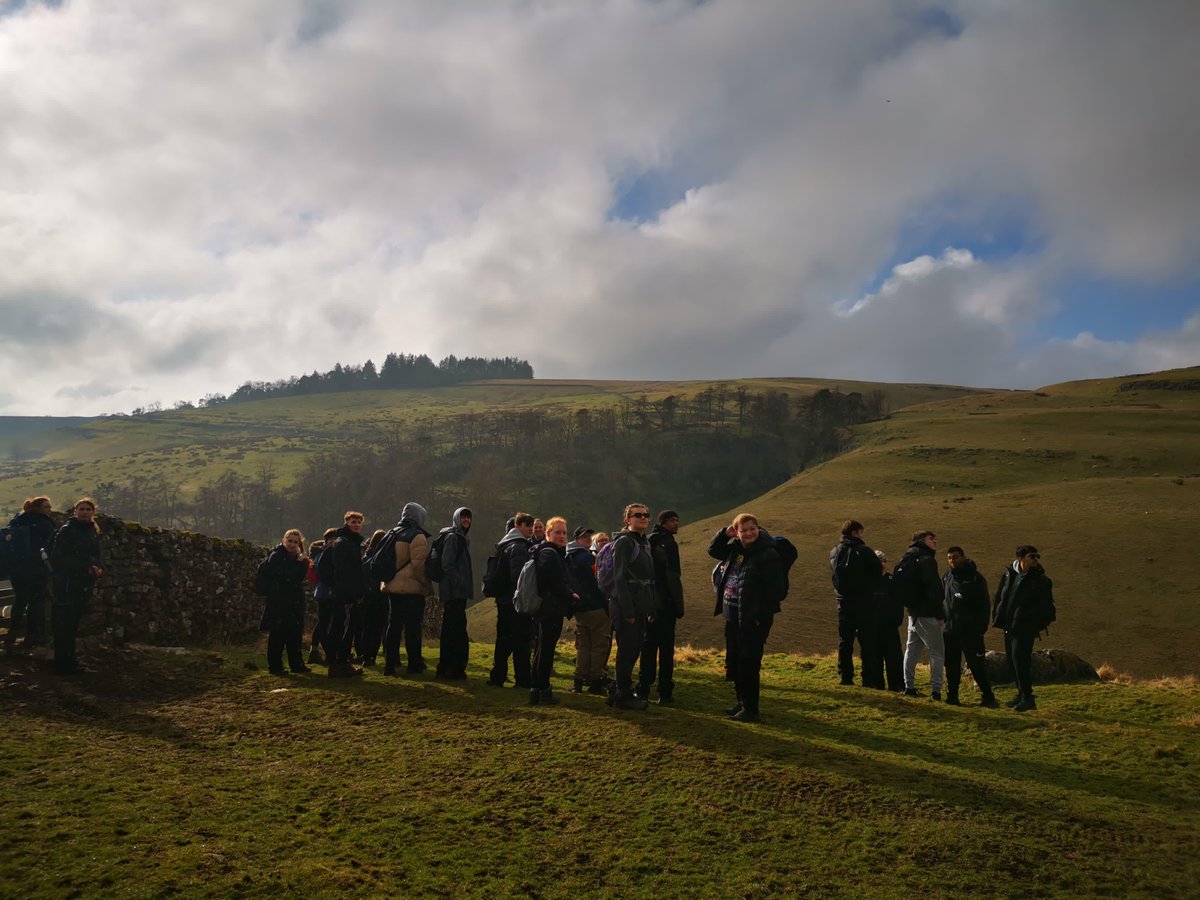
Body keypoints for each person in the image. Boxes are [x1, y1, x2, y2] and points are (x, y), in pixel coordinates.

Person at [708, 513, 787, 722]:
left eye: (753, 528)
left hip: (754, 618)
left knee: (749, 662)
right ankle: (741, 703)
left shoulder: (767, 554)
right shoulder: (737, 549)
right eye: (743, 530)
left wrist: (760, 616)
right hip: (733, 614)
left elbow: (777, 590)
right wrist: (726, 533)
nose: (749, 533)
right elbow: (714, 550)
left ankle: (751, 710)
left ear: (759, 529)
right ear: (737, 533)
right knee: (735, 661)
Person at [993, 545, 1056, 712]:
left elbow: (1047, 608)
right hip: (1008, 625)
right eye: (1032, 556)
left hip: (1025, 628)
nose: (1036, 560)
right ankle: (1021, 694)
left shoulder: (1041, 581)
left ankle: (1028, 698)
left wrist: (1032, 623)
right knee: (1012, 661)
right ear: (1021, 558)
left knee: (1021, 661)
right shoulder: (1009, 575)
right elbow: (1001, 596)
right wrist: (998, 616)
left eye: (1036, 557)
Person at [607, 503, 656, 711]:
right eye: (638, 515)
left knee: (634, 647)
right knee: (627, 649)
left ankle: (619, 690)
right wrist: (627, 610)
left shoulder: (643, 542)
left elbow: (649, 578)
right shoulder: (624, 542)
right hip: (626, 605)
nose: (643, 518)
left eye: (646, 515)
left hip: (640, 605)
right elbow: (619, 577)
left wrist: (651, 608)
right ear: (628, 519)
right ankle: (622, 694)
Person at [48, 498, 103, 675]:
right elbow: (59, 558)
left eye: (88, 509)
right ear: (75, 511)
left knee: (72, 624)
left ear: (93, 513)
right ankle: (63, 664)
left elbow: (95, 553)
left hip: (83, 583)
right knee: (65, 623)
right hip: (67, 583)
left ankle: (69, 661)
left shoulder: (91, 531)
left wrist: (98, 566)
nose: (85, 512)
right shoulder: (67, 531)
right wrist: (85, 567)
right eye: (81, 509)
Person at [829, 519, 884, 688]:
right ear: (855, 532)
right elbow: (878, 570)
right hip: (864, 602)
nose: (862, 535)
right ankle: (868, 678)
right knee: (867, 641)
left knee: (845, 640)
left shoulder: (835, 551)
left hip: (843, 602)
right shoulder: (865, 551)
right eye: (861, 532)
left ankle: (845, 675)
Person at [529, 517, 578, 706]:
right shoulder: (549, 554)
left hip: (547, 608)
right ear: (548, 534)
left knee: (542, 649)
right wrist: (570, 595)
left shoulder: (547, 552)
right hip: (550, 609)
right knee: (545, 650)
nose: (562, 536)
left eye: (564, 532)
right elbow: (556, 582)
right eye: (558, 532)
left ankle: (537, 689)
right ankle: (543, 690)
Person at [381, 502, 433, 676]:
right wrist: (425, 584)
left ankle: (389, 664)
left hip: (392, 587)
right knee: (413, 628)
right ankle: (414, 664)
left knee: (393, 626)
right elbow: (419, 566)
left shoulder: (392, 533)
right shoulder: (417, 536)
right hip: (411, 589)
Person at [639, 509, 685, 705]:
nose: (676, 523)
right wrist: (677, 604)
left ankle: (643, 688)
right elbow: (671, 576)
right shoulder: (666, 543)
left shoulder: (649, 540)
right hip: (663, 605)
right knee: (665, 650)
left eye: (677, 520)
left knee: (648, 647)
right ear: (664, 522)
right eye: (672, 520)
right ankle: (664, 692)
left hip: (651, 602)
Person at [943, 546, 998, 708]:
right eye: (950, 558)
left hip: (970, 632)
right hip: (950, 630)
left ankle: (988, 697)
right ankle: (952, 697)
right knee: (951, 665)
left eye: (955, 557)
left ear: (964, 557)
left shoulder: (975, 578)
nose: (952, 561)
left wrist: (980, 628)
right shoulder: (947, 576)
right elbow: (942, 599)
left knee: (976, 665)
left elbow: (984, 605)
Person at [486, 513, 535, 688]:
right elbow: (520, 577)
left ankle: (497, 676)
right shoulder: (519, 547)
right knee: (522, 641)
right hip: (515, 601)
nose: (530, 528)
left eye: (531, 524)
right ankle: (523, 679)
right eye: (527, 524)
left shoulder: (504, 545)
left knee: (503, 639)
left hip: (503, 600)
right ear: (518, 525)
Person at [898, 530, 946, 700]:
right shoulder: (927, 560)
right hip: (928, 613)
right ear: (921, 541)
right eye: (931, 539)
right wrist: (940, 613)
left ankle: (908, 686)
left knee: (911, 651)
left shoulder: (908, 558)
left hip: (913, 612)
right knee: (937, 652)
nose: (935, 542)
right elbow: (933, 589)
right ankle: (936, 691)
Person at [4, 496, 55, 653]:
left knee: (20, 600)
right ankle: (31, 635)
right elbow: (52, 545)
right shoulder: (44, 523)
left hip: (17, 569)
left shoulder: (17, 521)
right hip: (36, 568)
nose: (50, 510)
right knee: (35, 602)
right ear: (39, 509)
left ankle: (11, 634)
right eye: (47, 507)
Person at [566, 525, 610, 694]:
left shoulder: (568, 556)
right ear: (577, 539)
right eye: (584, 537)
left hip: (579, 607)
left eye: (589, 536)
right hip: (596, 607)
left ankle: (578, 681)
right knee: (599, 645)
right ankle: (596, 681)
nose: (588, 539)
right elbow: (599, 581)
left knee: (583, 645)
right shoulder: (588, 558)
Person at [261, 529, 312, 675]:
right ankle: (275, 667)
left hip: (295, 602)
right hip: (279, 602)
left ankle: (297, 664)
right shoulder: (276, 556)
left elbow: (297, 577)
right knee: (277, 636)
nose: (292, 544)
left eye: (295, 542)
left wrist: (300, 564)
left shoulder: (300, 560)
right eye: (290, 541)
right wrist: (298, 563)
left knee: (295, 634)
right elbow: (285, 577)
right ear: (284, 540)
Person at [323, 512, 367, 677]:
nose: (356, 524)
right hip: (344, 595)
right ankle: (338, 663)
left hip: (345, 593)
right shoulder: (344, 543)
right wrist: (348, 595)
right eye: (353, 522)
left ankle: (341, 663)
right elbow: (344, 571)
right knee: (342, 629)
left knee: (344, 628)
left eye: (358, 522)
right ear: (346, 523)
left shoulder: (349, 542)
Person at [435, 507, 473, 680]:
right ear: (457, 518)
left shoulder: (459, 537)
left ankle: (447, 667)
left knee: (452, 629)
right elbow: (447, 564)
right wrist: (459, 582)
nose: (466, 520)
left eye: (468, 517)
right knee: (455, 630)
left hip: (454, 592)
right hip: (454, 592)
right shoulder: (453, 538)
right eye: (463, 517)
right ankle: (453, 668)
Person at [873, 550, 904, 692]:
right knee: (874, 659)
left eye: (884, 561)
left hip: (890, 628)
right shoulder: (867, 582)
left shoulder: (893, 581)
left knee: (894, 659)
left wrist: (896, 622)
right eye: (879, 561)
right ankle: (877, 686)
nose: (883, 564)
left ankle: (896, 686)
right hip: (872, 627)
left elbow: (898, 605)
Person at [307, 528, 339, 665]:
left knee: (323, 622)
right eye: (331, 539)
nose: (333, 541)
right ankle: (329, 652)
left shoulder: (320, 553)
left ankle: (315, 650)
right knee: (326, 623)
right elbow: (324, 573)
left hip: (323, 591)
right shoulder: (323, 553)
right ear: (326, 540)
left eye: (335, 538)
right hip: (326, 592)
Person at [357, 529, 389, 666]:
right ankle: (372, 655)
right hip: (380, 596)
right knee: (378, 628)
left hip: (367, 596)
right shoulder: (384, 558)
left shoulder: (365, 558)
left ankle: (366, 655)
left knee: (367, 627)